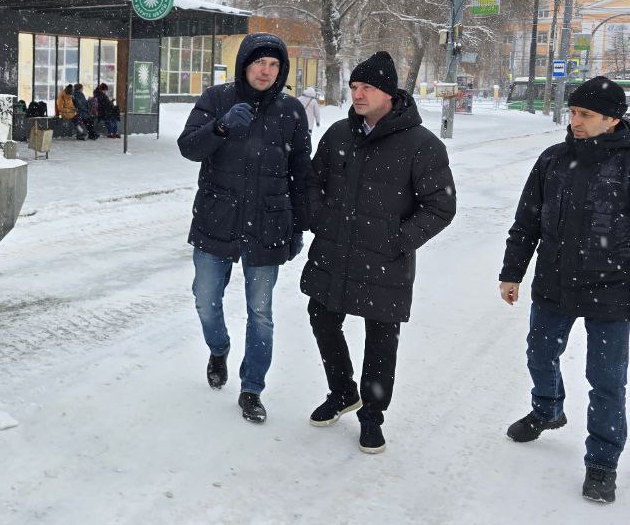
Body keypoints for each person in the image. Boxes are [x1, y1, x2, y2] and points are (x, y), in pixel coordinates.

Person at [301, 51, 455, 454]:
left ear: (389, 92)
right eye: (354, 87)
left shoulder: (422, 145)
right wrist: (320, 219)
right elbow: (313, 182)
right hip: (334, 251)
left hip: (386, 260)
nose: (358, 93)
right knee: (321, 315)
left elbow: (440, 206)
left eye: (366, 87)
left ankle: (372, 414)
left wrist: (396, 241)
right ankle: (342, 391)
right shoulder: (338, 134)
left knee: (381, 337)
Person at [499, 75, 630, 504]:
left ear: (612, 120)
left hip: (613, 292)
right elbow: (527, 222)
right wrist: (512, 272)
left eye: (585, 115)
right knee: (540, 353)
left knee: (606, 380)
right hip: (554, 283)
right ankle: (548, 409)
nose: (574, 121)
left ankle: (602, 463)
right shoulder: (553, 160)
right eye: (573, 112)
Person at [178, 33, 312, 423]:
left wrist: (298, 226)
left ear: (281, 70)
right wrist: (220, 128)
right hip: (216, 218)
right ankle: (218, 347)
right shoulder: (217, 99)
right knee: (205, 300)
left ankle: (252, 388)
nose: (266, 71)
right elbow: (189, 147)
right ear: (245, 65)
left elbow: (300, 173)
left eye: (273, 65)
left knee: (261, 312)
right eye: (259, 63)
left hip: (268, 224)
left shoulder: (291, 111)